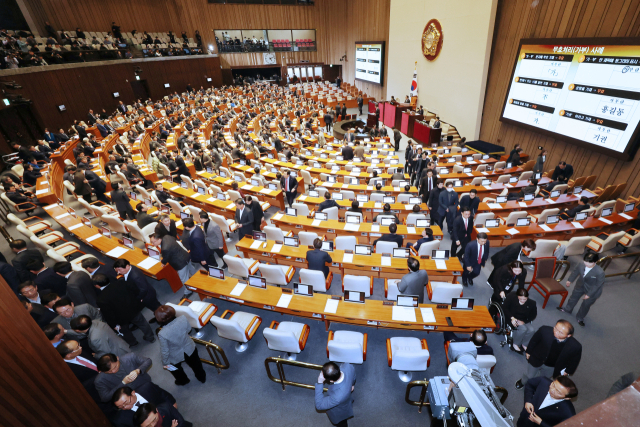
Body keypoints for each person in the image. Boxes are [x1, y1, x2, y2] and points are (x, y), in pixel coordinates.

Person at [515, 320, 582, 390]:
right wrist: (528, 351)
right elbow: (534, 341)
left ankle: (535, 386)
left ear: (568, 335)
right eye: (555, 328)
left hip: (552, 366)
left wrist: (568, 371)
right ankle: (523, 381)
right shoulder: (544, 330)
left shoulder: (576, 346)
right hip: (537, 358)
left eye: (561, 332)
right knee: (529, 375)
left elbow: (575, 360)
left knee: (543, 378)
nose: (556, 332)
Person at [94, 273, 155, 347]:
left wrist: (114, 324)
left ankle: (133, 342)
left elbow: (108, 314)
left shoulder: (100, 299)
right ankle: (150, 337)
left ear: (97, 286)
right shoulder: (122, 282)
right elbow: (135, 291)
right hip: (133, 309)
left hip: (120, 318)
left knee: (125, 331)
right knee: (142, 323)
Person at [155, 305, 206, 385]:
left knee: (175, 369)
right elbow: (189, 329)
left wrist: (165, 363)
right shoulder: (183, 318)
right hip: (189, 347)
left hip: (175, 355)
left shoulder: (162, 333)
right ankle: (201, 377)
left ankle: (183, 380)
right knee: (196, 364)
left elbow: (165, 350)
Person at [557, 252, 605, 327]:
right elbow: (575, 271)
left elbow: (598, 285)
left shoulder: (600, 272)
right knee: (573, 298)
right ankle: (567, 309)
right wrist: (570, 280)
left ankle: (580, 318)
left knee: (585, 305)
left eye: (589, 262)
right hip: (580, 285)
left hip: (592, 291)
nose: (586, 263)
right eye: (585, 261)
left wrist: (589, 294)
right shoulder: (581, 263)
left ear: (595, 262)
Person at [111, 385, 181, 427]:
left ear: (133, 393)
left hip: (167, 419)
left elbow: (163, 395)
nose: (126, 407)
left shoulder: (147, 387)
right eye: (121, 407)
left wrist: (172, 406)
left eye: (126, 403)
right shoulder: (119, 420)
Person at [315, 362, 356, 427]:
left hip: (340, 412)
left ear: (331, 381)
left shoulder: (338, 396)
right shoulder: (348, 366)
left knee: (342, 424)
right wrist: (352, 384)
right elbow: (353, 375)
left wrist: (320, 382)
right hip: (346, 396)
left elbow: (319, 405)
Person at [502, 288, 537, 353]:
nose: (523, 301)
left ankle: (524, 344)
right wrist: (512, 318)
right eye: (521, 299)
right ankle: (515, 343)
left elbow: (533, 315)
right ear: (517, 296)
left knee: (532, 330)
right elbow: (505, 308)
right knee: (523, 329)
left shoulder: (532, 303)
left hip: (524, 319)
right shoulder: (511, 298)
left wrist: (524, 322)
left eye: (525, 299)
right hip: (512, 317)